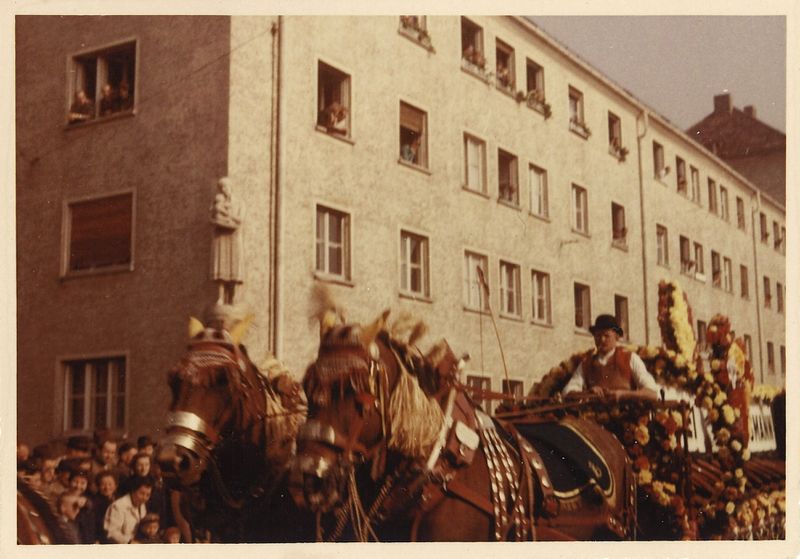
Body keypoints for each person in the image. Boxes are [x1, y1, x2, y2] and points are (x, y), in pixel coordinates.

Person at [562, 314, 658, 401]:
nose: (602, 340)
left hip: (626, 417)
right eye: (598, 336)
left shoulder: (630, 358)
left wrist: (623, 394)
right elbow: (567, 392)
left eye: (606, 335)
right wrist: (588, 392)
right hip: (593, 418)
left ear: (616, 337)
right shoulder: (586, 363)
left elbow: (652, 393)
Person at [210, 177, 245, 305]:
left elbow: (240, 219)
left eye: (225, 187)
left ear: (230, 187)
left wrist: (228, 215)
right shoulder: (217, 202)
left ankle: (234, 296)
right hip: (221, 237)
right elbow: (212, 217)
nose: (224, 190)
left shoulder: (239, 203)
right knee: (221, 265)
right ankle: (220, 297)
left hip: (234, 237)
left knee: (234, 265)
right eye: (221, 188)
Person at [104, 476, 153, 544]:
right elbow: (112, 532)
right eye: (141, 493)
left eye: (148, 495)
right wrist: (129, 542)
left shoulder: (142, 505)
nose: (144, 498)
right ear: (133, 491)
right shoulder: (118, 506)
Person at [92, 471, 118, 543]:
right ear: (98, 486)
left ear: (115, 485)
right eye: (103, 484)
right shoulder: (95, 503)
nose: (107, 487)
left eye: (110, 484)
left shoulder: (119, 499)